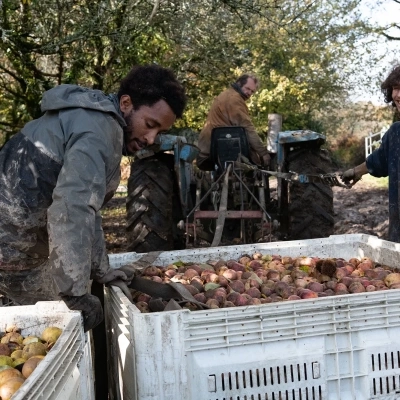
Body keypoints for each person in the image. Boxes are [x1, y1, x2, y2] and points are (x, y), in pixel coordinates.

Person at [0, 64, 186, 332]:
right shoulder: (100, 131)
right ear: (126, 103)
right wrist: (74, 293)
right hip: (12, 249)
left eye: (159, 132)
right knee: (60, 333)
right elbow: (72, 209)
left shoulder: (90, 117)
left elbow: (89, 210)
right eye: (150, 124)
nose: (151, 138)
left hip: (17, 240)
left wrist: (101, 270)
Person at [341, 64, 400, 242]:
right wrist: (355, 172)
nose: (397, 95)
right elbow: (379, 160)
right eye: (395, 89)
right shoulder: (396, 133)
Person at [196, 74, 271, 170]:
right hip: (218, 149)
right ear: (239, 83)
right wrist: (263, 153)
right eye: (247, 88)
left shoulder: (226, 94)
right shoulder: (234, 99)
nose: (249, 93)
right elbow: (248, 129)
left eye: (252, 91)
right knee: (257, 164)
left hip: (208, 148)